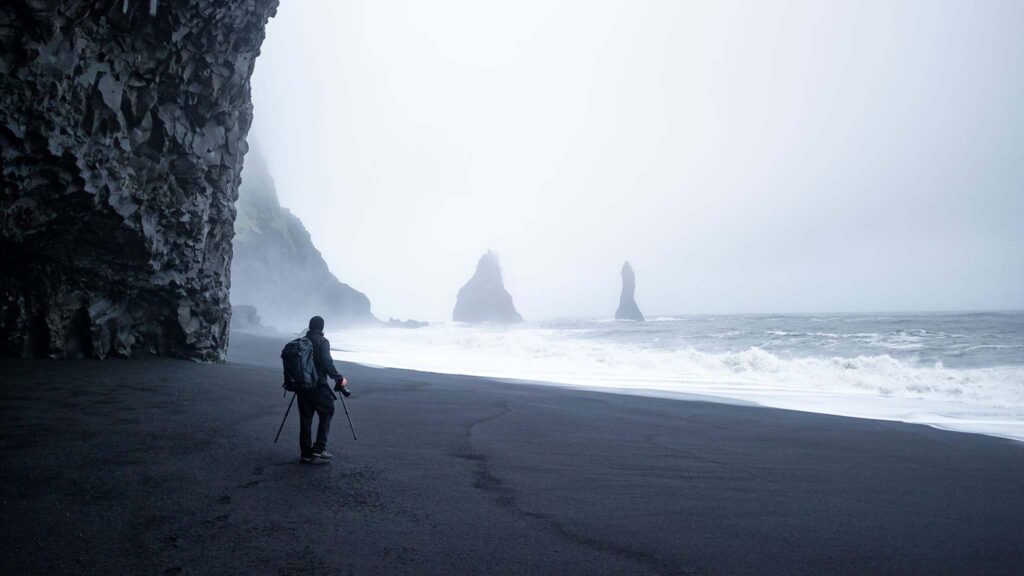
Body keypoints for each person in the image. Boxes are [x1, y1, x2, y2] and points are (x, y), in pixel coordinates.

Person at [298, 315, 351, 464]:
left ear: (310, 326)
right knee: (327, 411)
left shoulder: (302, 341)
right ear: (321, 328)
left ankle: (305, 453)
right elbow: (327, 362)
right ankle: (319, 448)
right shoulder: (322, 341)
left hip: (301, 386)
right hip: (317, 385)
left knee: (305, 419)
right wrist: (339, 378)